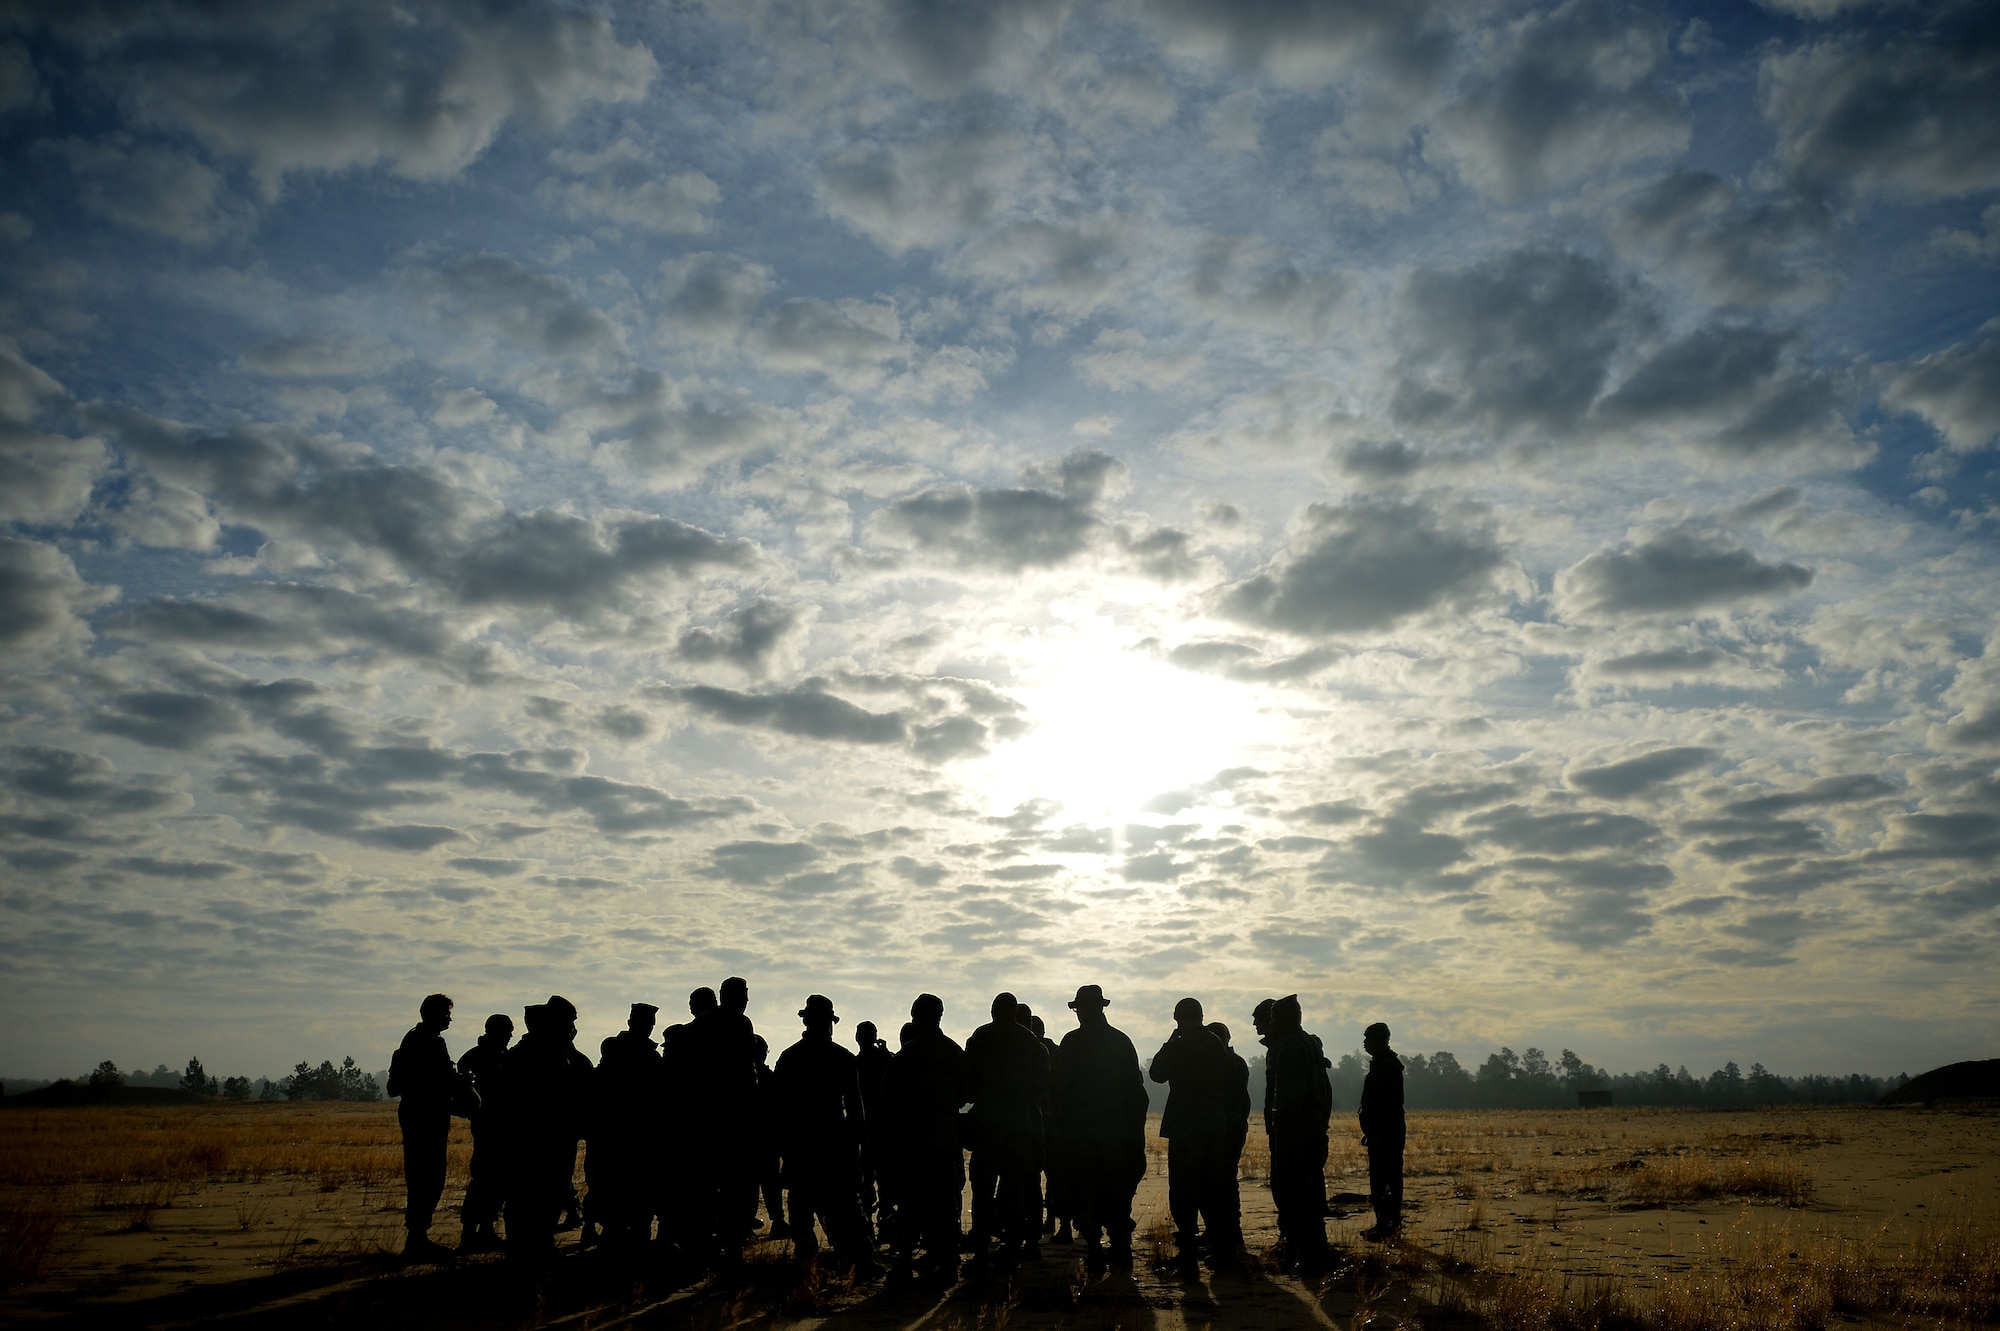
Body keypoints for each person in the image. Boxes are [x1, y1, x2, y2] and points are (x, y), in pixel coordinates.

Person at [774, 994, 880, 1276]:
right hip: (835, 1145)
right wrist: (859, 1147)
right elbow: (856, 1110)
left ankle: (807, 1261)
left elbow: (779, 1108)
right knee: (846, 1206)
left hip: (802, 1145)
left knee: (802, 1206)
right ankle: (859, 1259)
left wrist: (783, 1145)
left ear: (806, 1021)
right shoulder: (842, 1057)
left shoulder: (790, 1057)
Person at [1050, 984, 1147, 1270]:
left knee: (1083, 1192)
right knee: (1118, 1193)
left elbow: (1058, 1092)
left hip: (1081, 1136)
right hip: (1117, 1136)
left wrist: (1060, 1130)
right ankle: (1120, 1248)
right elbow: (1137, 1093)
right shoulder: (1121, 1041)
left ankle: (1094, 1249)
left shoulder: (1071, 1043)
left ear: (1082, 1009)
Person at [501, 996, 594, 1259]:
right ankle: (527, 1250)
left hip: (557, 1138)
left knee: (549, 1194)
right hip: (536, 1138)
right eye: (569, 1024)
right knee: (530, 1196)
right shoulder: (535, 1054)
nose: (571, 1029)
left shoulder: (558, 1052)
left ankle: (535, 1247)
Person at [881, 993, 966, 1279]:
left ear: (915, 1017)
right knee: (946, 1201)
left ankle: (905, 1261)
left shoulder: (905, 1057)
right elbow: (970, 1095)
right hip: (945, 1139)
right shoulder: (954, 1052)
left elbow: (889, 1105)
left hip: (912, 1141)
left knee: (911, 1202)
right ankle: (948, 1261)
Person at [1148, 997, 1237, 1267]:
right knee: (1212, 1184)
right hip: (1212, 1123)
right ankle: (1220, 1244)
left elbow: (1156, 1073)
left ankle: (1188, 1241)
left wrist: (1170, 1042)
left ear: (1179, 1019)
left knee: (1184, 1186)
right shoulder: (1215, 1044)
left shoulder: (1179, 1045)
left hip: (1186, 1124)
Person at [964, 992, 1050, 1265]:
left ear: (993, 1011)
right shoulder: (1031, 1042)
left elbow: (968, 1082)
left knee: (983, 1189)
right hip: (1020, 1126)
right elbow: (1042, 1086)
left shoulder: (980, 1037)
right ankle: (1015, 1245)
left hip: (988, 1125)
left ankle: (980, 1247)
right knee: (1016, 1189)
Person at [390, 992, 467, 1261]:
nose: (449, 1019)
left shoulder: (425, 1040)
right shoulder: (422, 1042)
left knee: (427, 1177)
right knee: (426, 1177)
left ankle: (418, 1237)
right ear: (432, 1014)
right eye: (446, 1014)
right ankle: (417, 1239)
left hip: (427, 1115)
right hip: (423, 1117)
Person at [1257, 995, 1332, 1264]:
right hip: (1308, 1127)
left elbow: (1289, 1094)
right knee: (1306, 1186)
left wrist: (1280, 1125)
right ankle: (1307, 1244)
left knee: (1295, 1188)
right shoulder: (1308, 1044)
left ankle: (1304, 1248)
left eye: (1275, 1017)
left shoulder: (1291, 1047)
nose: (1270, 1022)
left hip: (1294, 1129)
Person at [590, 1002, 664, 1251]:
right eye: (647, 1023)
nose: (649, 1027)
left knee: (616, 1193)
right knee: (633, 1195)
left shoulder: (613, 1048)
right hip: (634, 1135)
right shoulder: (646, 1056)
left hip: (617, 1134)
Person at [456, 1013, 514, 1251]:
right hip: (488, 1125)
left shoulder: (500, 1057)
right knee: (483, 1179)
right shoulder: (476, 1058)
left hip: (503, 1126)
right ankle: (470, 1232)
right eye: (507, 1031)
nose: (510, 1035)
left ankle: (486, 1230)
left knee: (497, 1181)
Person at [1358, 1022, 1405, 1241]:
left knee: (1384, 1180)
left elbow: (1386, 1105)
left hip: (1385, 1134)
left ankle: (1387, 1226)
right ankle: (1385, 1224)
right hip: (1384, 1132)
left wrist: (1376, 1131)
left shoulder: (1386, 1067)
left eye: (1367, 1039)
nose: (1365, 1043)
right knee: (1385, 1179)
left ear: (1378, 1041)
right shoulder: (1384, 1065)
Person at [1208, 1020, 1251, 1254]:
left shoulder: (1231, 1064)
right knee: (1221, 1182)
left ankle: (1230, 1235)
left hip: (1228, 1131)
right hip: (1229, 1129)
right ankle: (1222, 1233)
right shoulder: (1235, 1062)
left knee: (1223, 1182)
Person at [853, 1020, 892, 1235]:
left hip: (865, 1130)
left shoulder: (854, 1063)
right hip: (884, 1129)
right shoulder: (886, 1061)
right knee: (885, 1179)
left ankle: (867, 1221)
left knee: (865, 1180)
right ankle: (885, 1221)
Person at [751, 1034, 791, 1239]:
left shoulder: (741, 1077)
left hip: (751, 1140)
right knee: (770, 1183)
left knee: (749, 1184)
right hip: (767, 1141)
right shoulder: (769, 1077)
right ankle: (777, 1220)